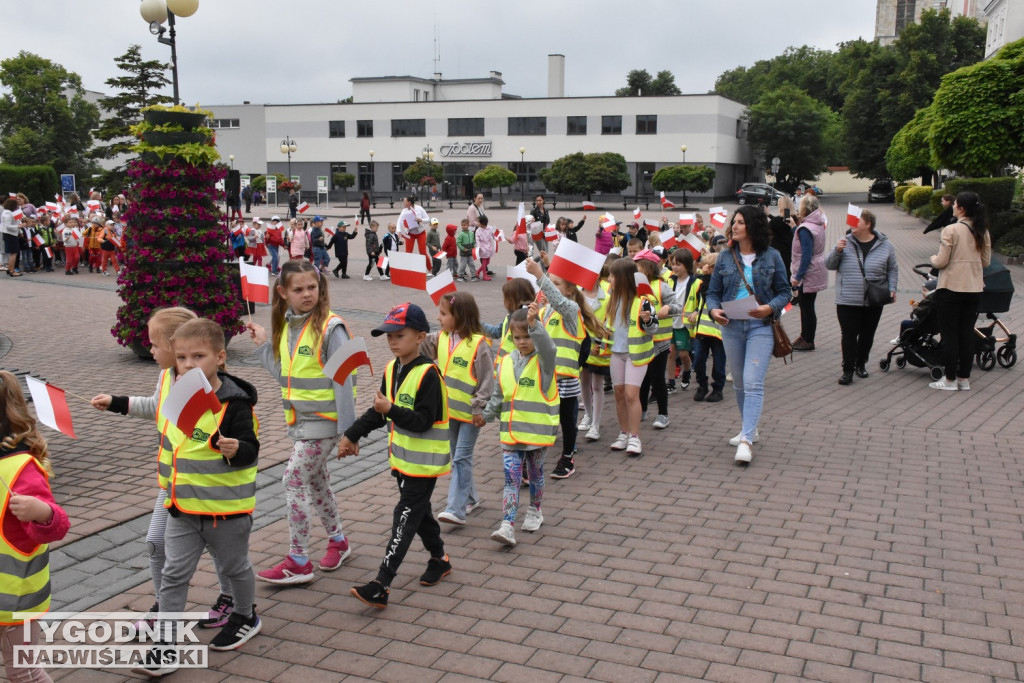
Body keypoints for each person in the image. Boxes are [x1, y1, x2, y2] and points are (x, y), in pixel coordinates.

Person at [91, 308, 237, 631]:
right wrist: (115, 402)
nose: (151, 350)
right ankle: (163, 610)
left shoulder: (216, 387)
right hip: (172, 484)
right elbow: (156, 407)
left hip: (209, 488)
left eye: (155, 345)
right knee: (156, 543)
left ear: (175, 346)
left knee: (222, 550)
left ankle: (233, 602)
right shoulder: (166, 377)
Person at [136, 318, 261, 676]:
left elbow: (251, 450)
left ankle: (245, 614)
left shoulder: (235, 404)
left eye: (198, 356)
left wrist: (237, 448)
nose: (189, 365)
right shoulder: (177, 397)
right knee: (175, 575)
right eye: (182, 358)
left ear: (220, 357)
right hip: (182, 508)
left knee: (235, 567)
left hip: (226, 512)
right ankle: (166, 647)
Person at [248, 261, 358, 583]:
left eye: (312, 287)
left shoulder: (331, 327)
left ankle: (298, 560)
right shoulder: (288, 324)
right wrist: (264, 345)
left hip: (324, 424)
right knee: (316, 481)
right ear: (283, 293)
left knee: (292, 480)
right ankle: (338, 541)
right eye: (298, 289)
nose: (307, 294)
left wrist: (348, 433)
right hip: (300, 423)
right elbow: (286, 376)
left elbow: (345, 383)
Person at [339, 303, 452, 609]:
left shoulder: (429, 374)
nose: (392, 341)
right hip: (402, 461)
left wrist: (391, 410)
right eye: (388, 335)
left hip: (424, 465)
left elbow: (422, 421)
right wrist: (352, 433)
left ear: (420, 337)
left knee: (404, 516)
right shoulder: (393, 368)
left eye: (399, 335)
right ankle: (439, 559)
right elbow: (379, 412)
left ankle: (381, 584)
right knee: (419, 514)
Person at [0, 370, 71, 683]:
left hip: (14, 598)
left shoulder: (18, 468)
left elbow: (57, 527)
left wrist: (42, 513)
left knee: (24, 671)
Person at [707, 206, 792, 465]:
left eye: (741, 222)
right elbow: (712, 293)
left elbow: (785, 292)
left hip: (761, 327)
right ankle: (750, 428)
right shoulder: (724, 257)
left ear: (753, 226)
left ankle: (745, 440)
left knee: (754, 382)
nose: (734, 226)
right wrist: (713, 311)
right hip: (731, 327)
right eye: (734, 222)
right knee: (741, 383)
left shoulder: (772, 256)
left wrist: (770, 307)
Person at [482, 306, 558, 547]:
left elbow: (549, 347)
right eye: (517, 337)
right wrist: (486, 415)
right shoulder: (504, 361)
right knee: (511, 478)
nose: (522, 341)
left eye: (527, 336)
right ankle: (507, 525)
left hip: (536, 432)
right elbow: (498, 394)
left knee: (535, 474)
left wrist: (536, 326)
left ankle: (535, 510)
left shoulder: (544, 362)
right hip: (510, 433)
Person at [525, 256, 606, 478]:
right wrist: (532, 322)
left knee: (567, 419)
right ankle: (530, 459)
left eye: (556, 284)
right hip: (543, 376)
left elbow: (558, 301)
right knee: (539, 417)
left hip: (565, 376)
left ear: (570, 290)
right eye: (551, 283)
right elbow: (536, 341)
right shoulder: (544, 311)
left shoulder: (571, 309)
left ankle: (568, 457)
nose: (551, 288)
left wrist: (539, 275)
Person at [421, 293, 493, 526]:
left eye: (443, 314)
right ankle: (470, 497)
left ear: (459, 316)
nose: (439, 318)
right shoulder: (440, 337)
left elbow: (486, 381)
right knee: (457, 458)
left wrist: (479, 408)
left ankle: (456, 509)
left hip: (471, 415)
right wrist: (406, 326)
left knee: (461, 457)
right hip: (448, 411)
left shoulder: (479, 345)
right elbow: (419, 345)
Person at [825, 209, 898, 385]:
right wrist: (837, 250)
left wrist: (892, 288)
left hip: (874, 298)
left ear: (868, 224)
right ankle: (847, 370)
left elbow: (892, 268)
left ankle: (861, 364)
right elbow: (829, 264)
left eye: (857, 221)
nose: (852, 224)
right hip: (847, 299)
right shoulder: (845, 242)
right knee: (849, 335)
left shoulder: (885, 245)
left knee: (867, 334)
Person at [928, 191, 991, 391]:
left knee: (950, 335)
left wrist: (932, 259)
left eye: (955, 204)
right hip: (974, 289)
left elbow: (941, 261)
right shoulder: (983, 230)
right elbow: (986, 262)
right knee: (965, 334)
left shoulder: (950, 230)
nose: (953, 206)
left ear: (961, 208)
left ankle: (949, 380)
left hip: (951, 288)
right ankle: (964, 379)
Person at [603, 258, 658, 456]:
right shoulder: (612, 298)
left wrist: (648, 320)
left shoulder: (643, 299)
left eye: (612, 276)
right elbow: (607, 326)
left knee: (631, 394)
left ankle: (635, 437)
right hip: (616, 353)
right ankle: (623, 433)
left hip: (635, 354)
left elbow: (654, 328)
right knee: (618, 393)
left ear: (623, 278)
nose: (609, 279)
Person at [687, 251, 727, 402]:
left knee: (719, 362)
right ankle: (702, 385)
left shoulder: (721, 282)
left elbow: (710, 293)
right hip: (702, 329)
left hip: (719, 330)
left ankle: (718, 388)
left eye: (706, 266)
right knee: (698, 360)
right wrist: (695, 312)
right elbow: (701, 298)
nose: (703, 268)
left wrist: (708, 276)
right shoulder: (700, 282)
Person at [790, 193, 827, 351]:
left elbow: (806, 254)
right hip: (816, 268)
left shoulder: (805, 228)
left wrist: (798, 277)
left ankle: (808, 339)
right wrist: (794, 228)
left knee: (806, 307)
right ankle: (805, 336)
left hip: (808, 271)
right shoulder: (817, 223)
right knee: (807, 306)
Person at [665, 249, 695, 394]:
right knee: (670, 353)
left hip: (684, 323)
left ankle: (687, 370)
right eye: (673, 264)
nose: (675, 267)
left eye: (679, 264)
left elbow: (701, 300)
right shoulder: (670, 280)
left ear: (687, 265)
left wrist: (695, 312)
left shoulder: (695, 282)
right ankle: (670, 382)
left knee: (683, 354)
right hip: (670, 321)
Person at [398, 196, 431, 269]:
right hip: (410, 233)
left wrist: (421, 220)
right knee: (408, 252)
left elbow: (428, 219)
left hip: (420, 233)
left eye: (404, 201)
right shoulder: (404, 211)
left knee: (423, 252)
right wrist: (399, 231)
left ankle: (429, 269)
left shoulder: (419, 209)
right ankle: (408, 269)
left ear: (409, 202)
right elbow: (399, 221)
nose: (403, 203)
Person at [769, 197, 795, 281]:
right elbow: (783, 221)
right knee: (787, 269)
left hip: (777, 250)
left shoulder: (775, 222)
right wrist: (769, 215)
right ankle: (792, 288)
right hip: (789, 248)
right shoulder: (793, 219)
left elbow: (765, 229)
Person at [474, 216, 496, 281]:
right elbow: (477, 239)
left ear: (482, 222)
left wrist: (497, 238)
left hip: (489, 247)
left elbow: (494, 235)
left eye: (478, 221)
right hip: (482, 247)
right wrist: (478, 247)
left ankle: (477, 271)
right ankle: (484, 275)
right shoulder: (478, 230)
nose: (477, 223)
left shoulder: (490, 228)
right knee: (484, 263)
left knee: (487, 262)